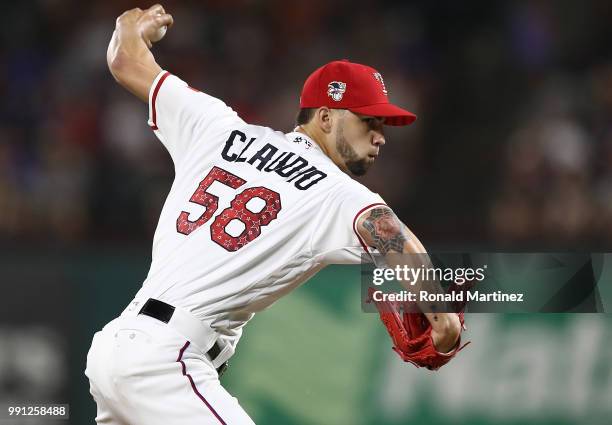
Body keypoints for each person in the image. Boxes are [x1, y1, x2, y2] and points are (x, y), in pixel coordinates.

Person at [85, 4, 462, 424]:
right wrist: (441, 315)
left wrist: (130, 25)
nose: (379, 137)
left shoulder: (217, 126)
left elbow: (124, 60)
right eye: (368, 121)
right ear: (325, 116)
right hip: (168, 362)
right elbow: (392, 237)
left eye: (383, 126)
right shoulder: (335, 192)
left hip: (116, 347)